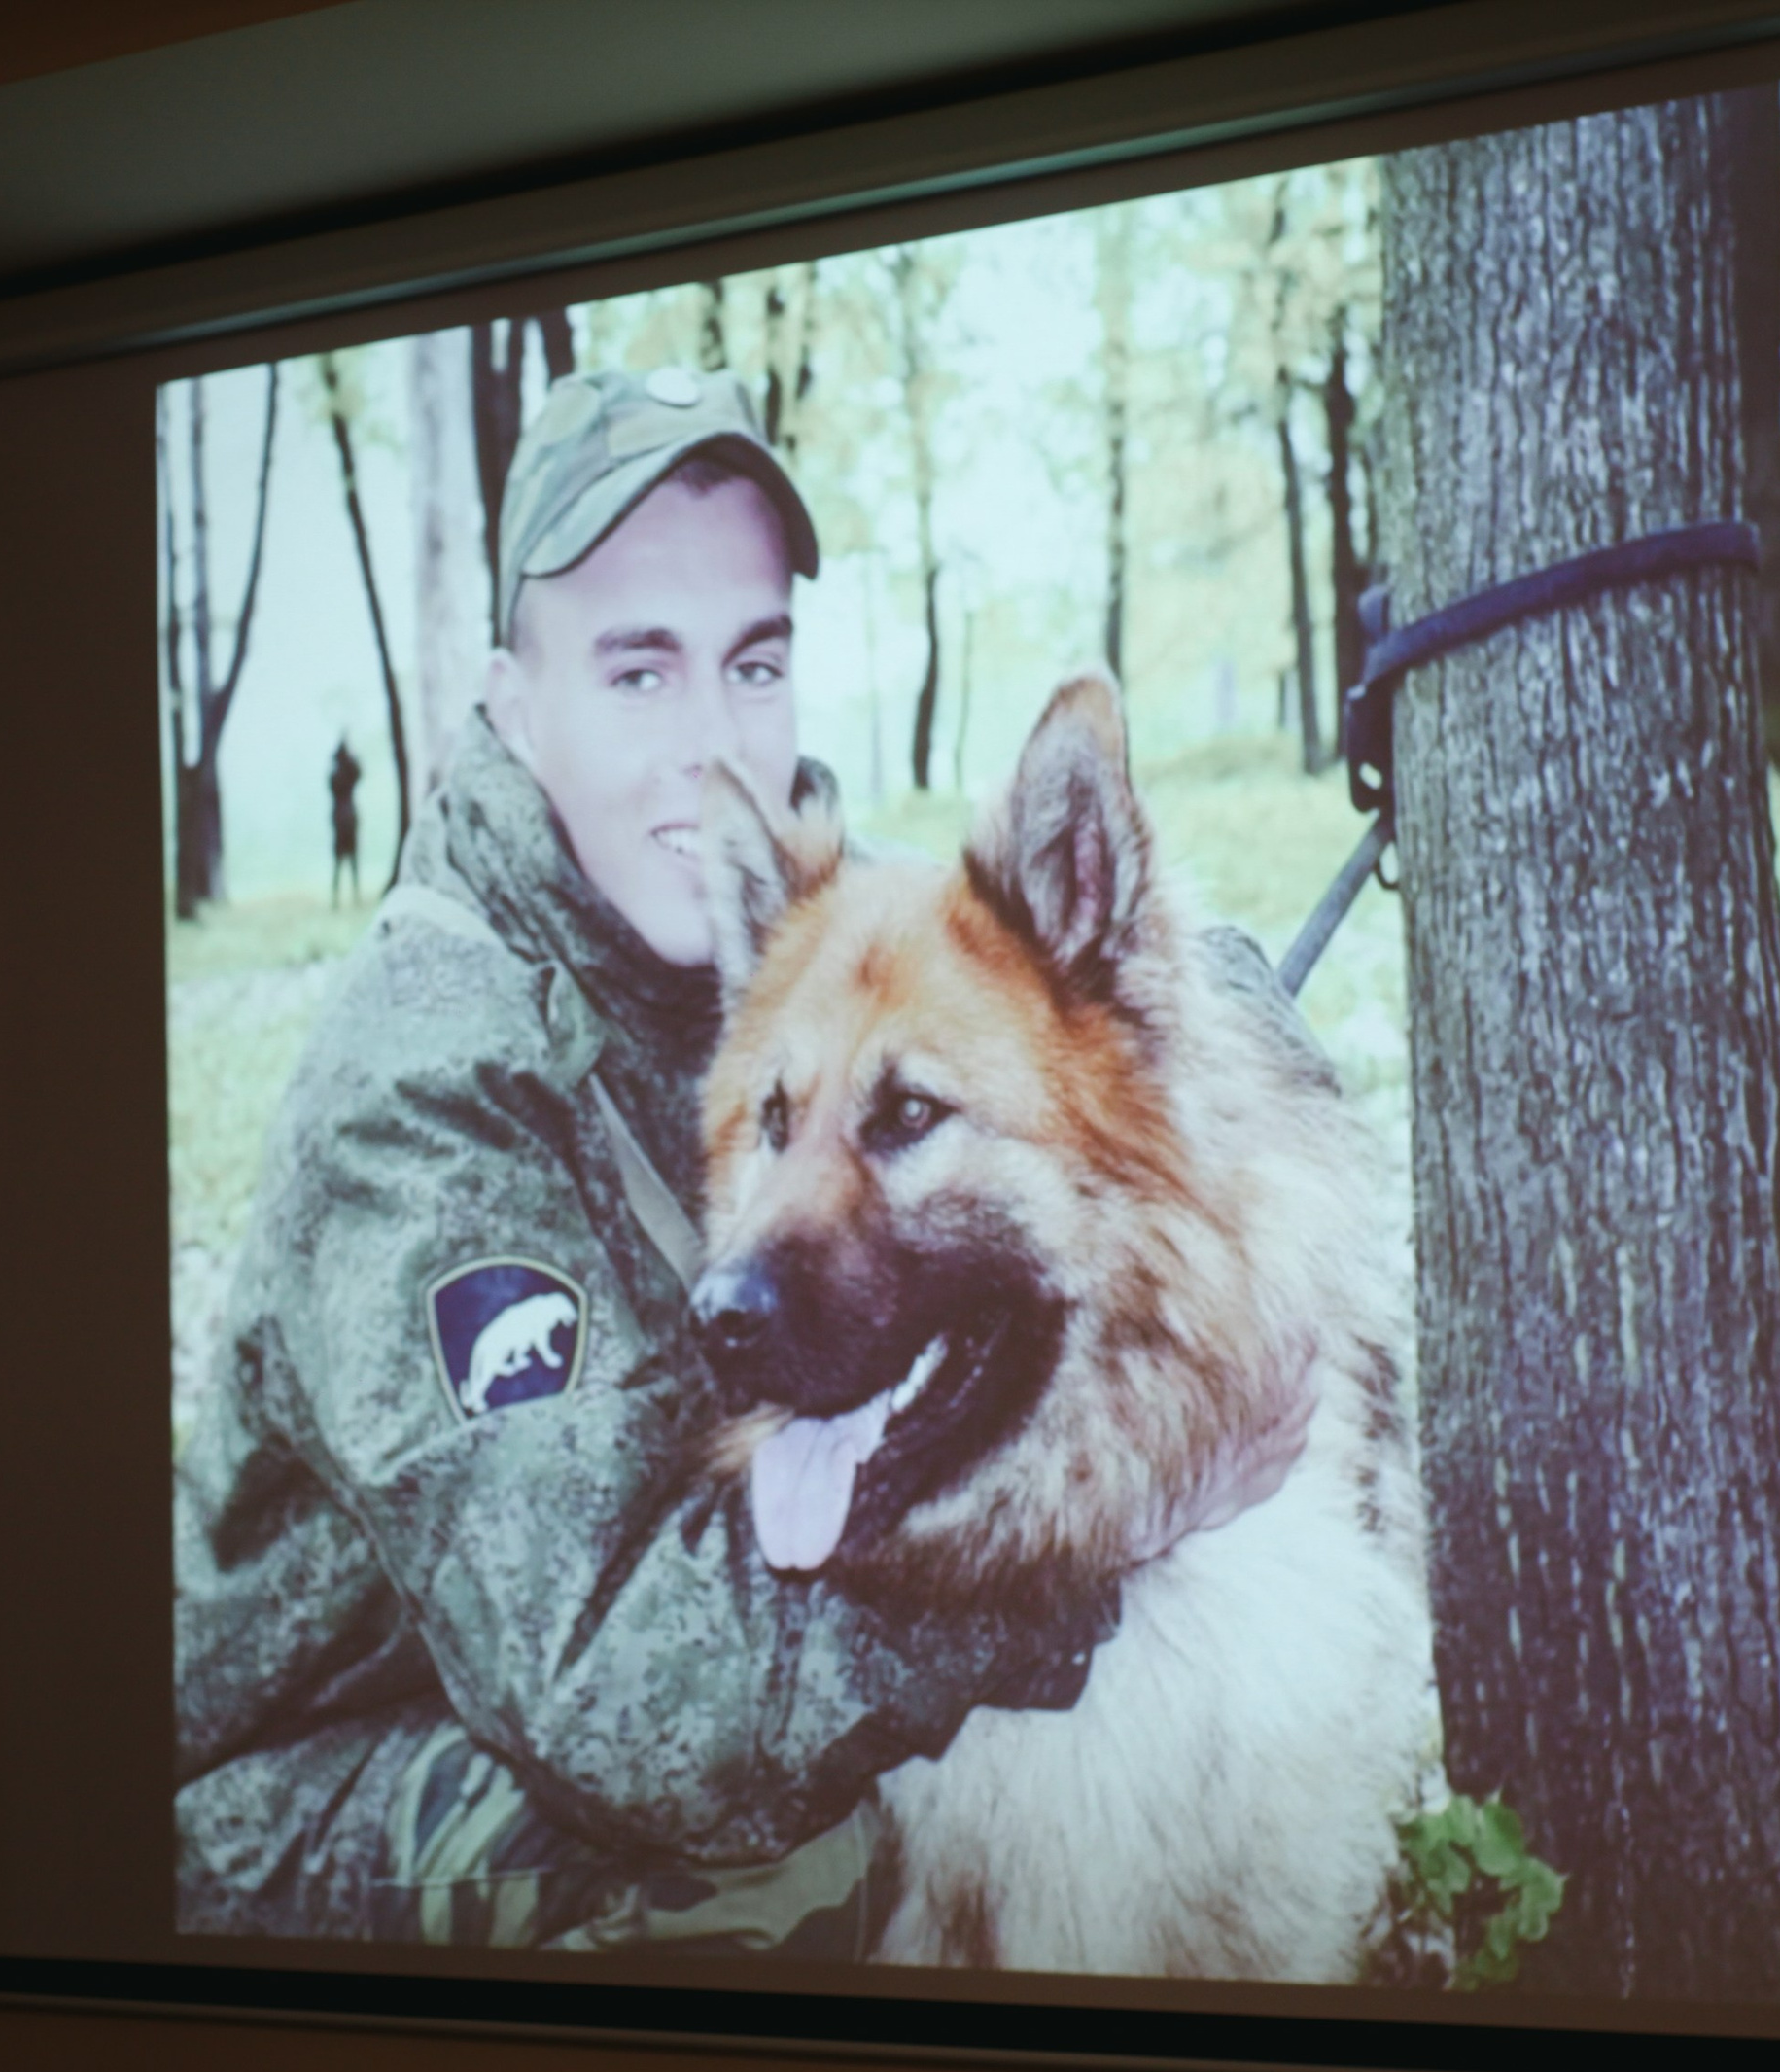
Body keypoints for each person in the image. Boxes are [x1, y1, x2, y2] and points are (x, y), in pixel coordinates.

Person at [174, 368, 1110, 1954]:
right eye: (636, 674)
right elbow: (633, 1699)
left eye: (753, 663)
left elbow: (1087, 978)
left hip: (568, 1662)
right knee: (783, 1859)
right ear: (510, 703)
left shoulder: (776, 914)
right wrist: (1079, 1560)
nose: (711, 749)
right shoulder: (425, 1090)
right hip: (313, 1771)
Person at [327, 737, 362, 904]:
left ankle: (348, 896)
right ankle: (340, 897)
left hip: (344, 821)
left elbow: (358, 773)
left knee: (346, 862)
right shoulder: (338, 777)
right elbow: (357, 773)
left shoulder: (337, 776)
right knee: (343, 862)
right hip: (345, 821)